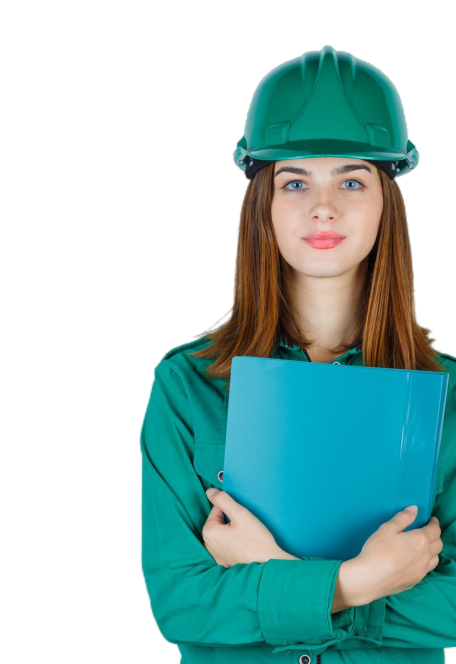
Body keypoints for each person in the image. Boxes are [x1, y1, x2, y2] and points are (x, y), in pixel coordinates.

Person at [139, 45, 456, 664]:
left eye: (352, 179)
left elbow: (452, 611)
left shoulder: (446, 393)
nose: (324, 206)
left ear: (388, 201)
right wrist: (358, 584)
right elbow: (180, 603)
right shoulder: (186, 386)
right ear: (263, 203)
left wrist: (269, 575)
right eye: (294, 180)